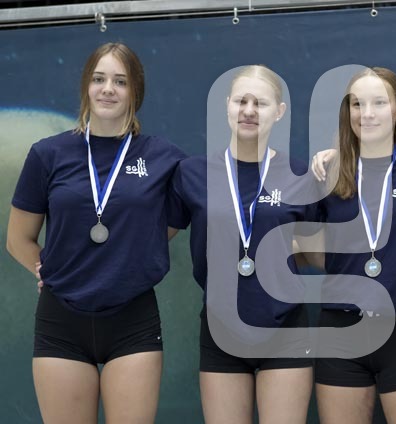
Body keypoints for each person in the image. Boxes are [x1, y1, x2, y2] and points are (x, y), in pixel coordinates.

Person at [6, 42, 186, 423]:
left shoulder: (163, 158)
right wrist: (45, 267)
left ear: (135, 91)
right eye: (99, 79)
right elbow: (18, 239)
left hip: (132, 320)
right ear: (86, 86)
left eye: (120, 81)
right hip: (61, 321)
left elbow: (174, 219)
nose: (108, 89)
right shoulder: (48, 154)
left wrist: (134, 251)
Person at [167, 65, 314, 424]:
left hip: (285, 327)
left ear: (279, 112)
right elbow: (147, 239)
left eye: (260, 103)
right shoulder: (193, 173)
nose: (249, 110)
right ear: (227, 106)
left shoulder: (301, 175)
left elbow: (316, 253)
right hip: (221, 329)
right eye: (241, 101)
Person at [311, 67, 396, 424]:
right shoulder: (328, 173)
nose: (366, 113)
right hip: (341, 330)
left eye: (379, 103)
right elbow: (295, 238)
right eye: (357, 104)